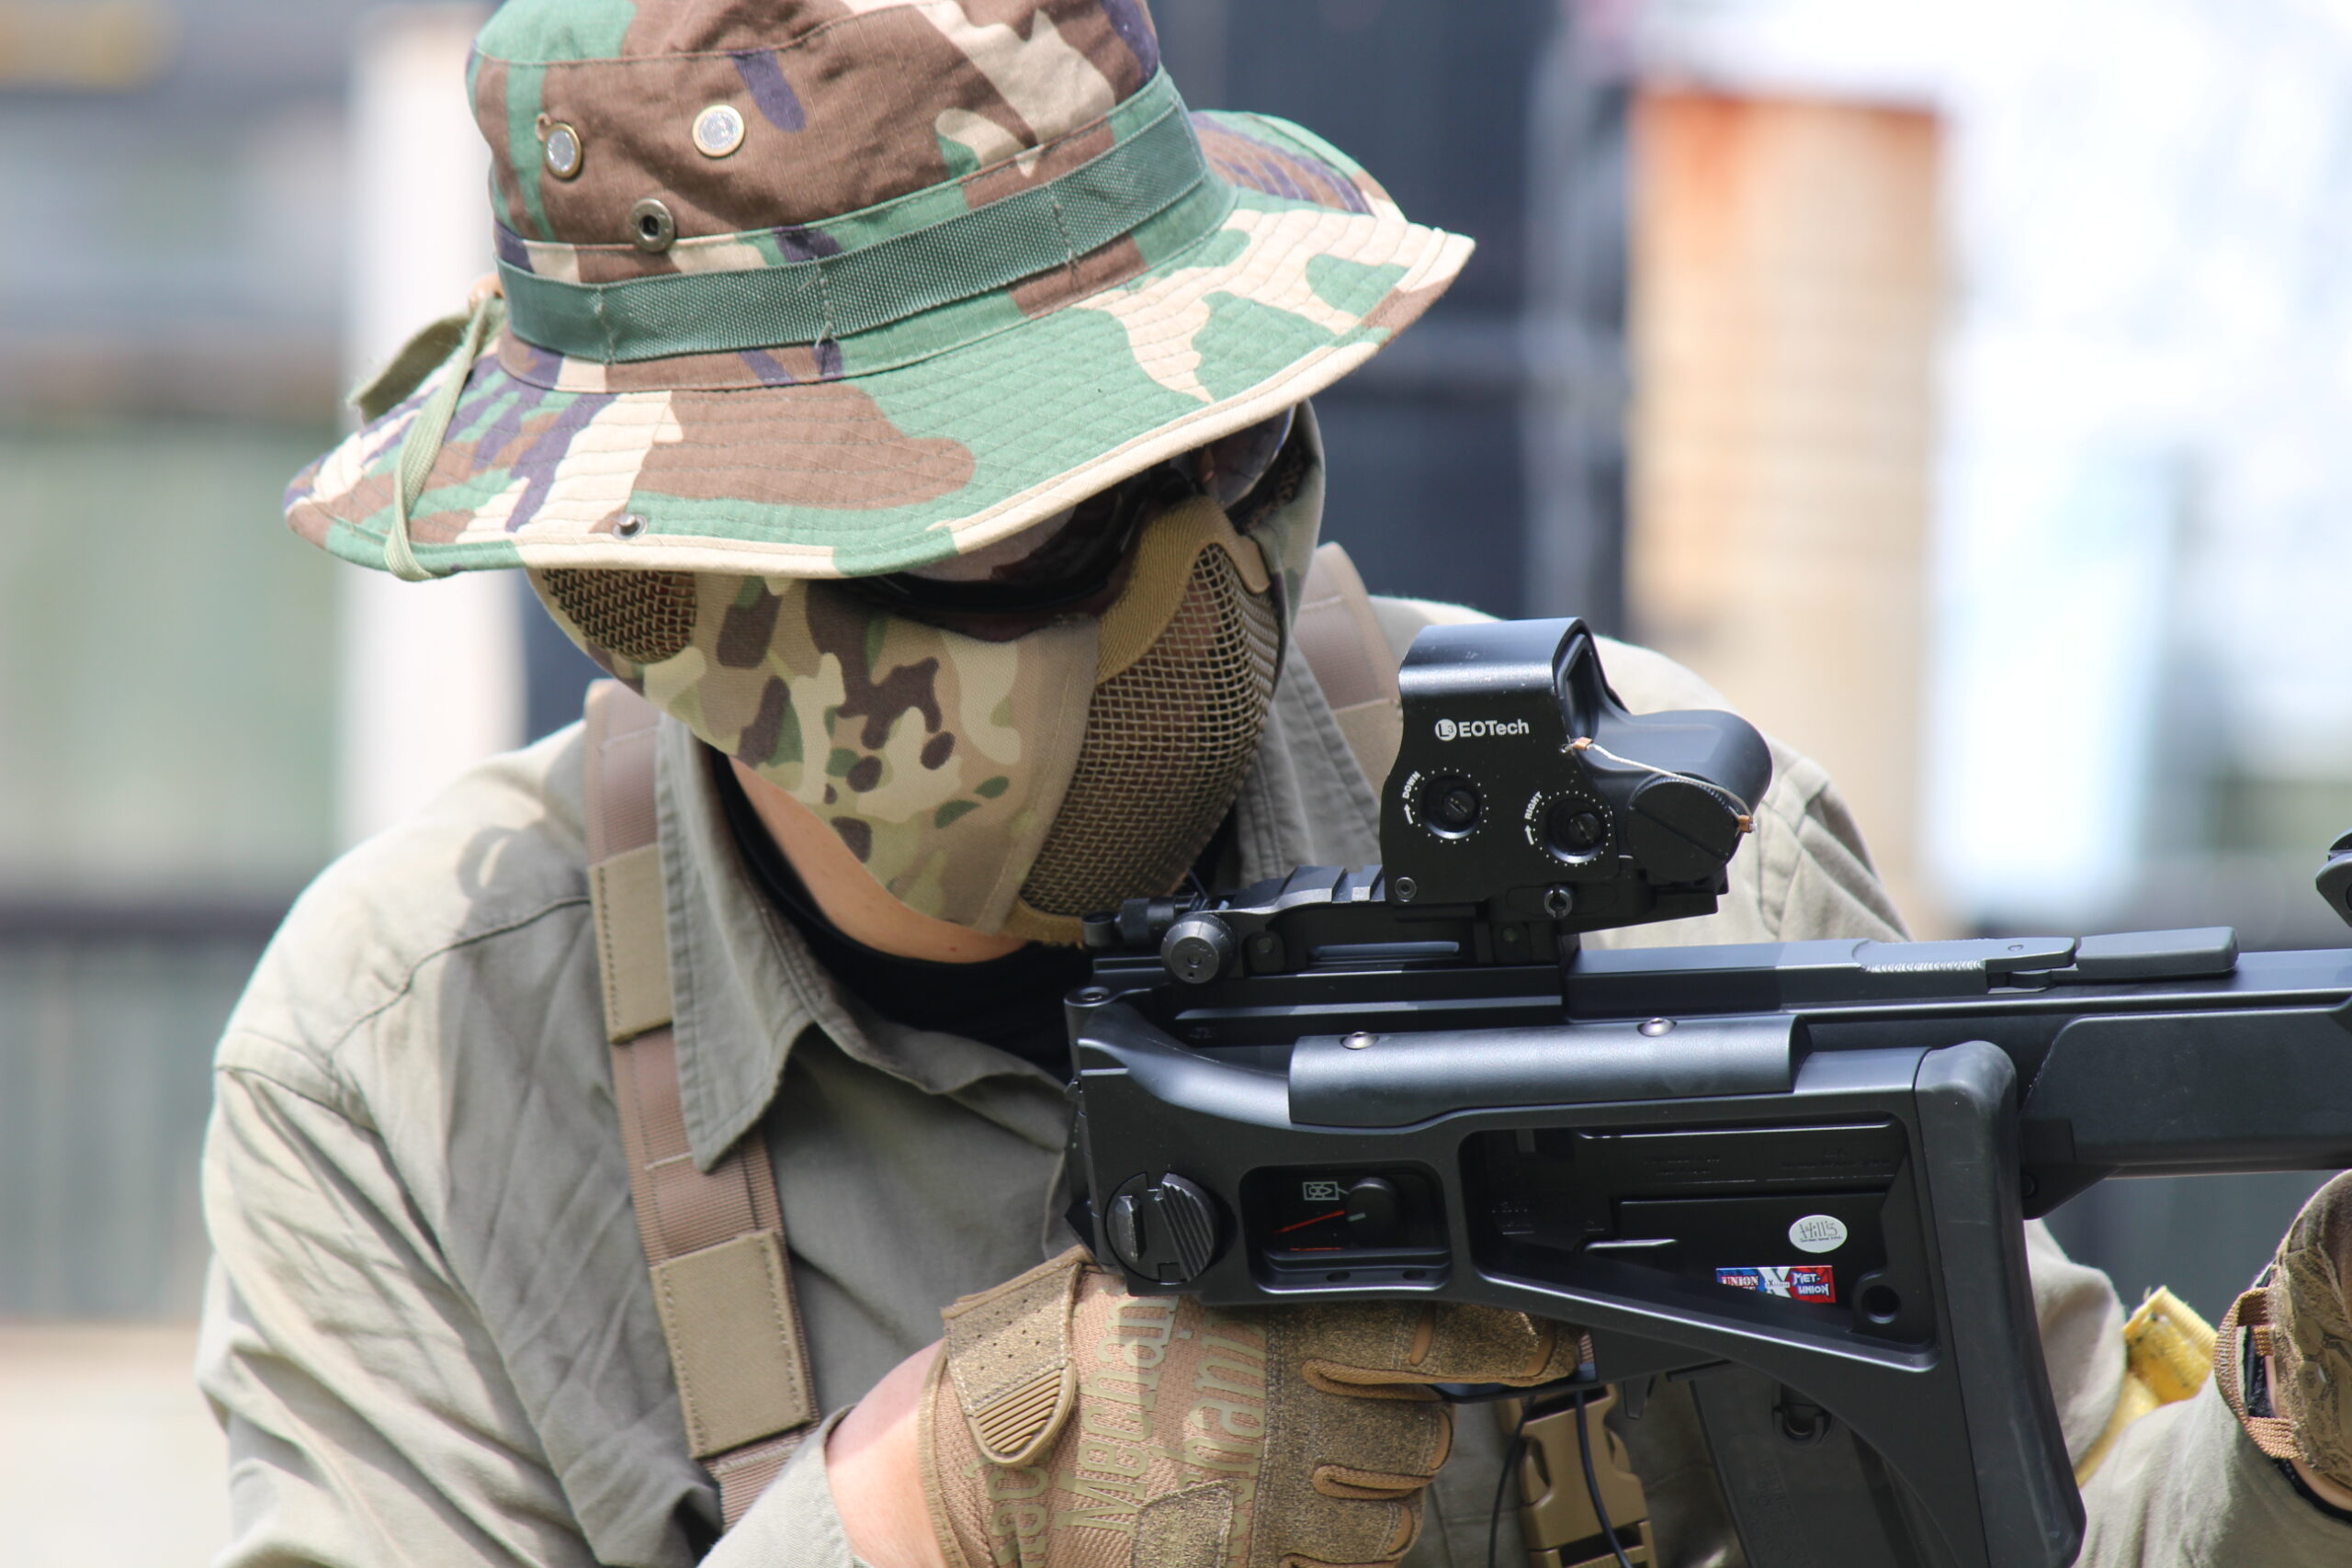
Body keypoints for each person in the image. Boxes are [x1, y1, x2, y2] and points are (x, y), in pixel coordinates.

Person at [201, 2, 2352, 1564]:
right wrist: (939, 1499)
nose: (1198, 573)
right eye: (1039, 519)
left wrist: (2308, 1408)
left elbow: (2083, 1527)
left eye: (1224, 439)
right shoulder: (424, 1060)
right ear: (668, 595)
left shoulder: (1670, 873)